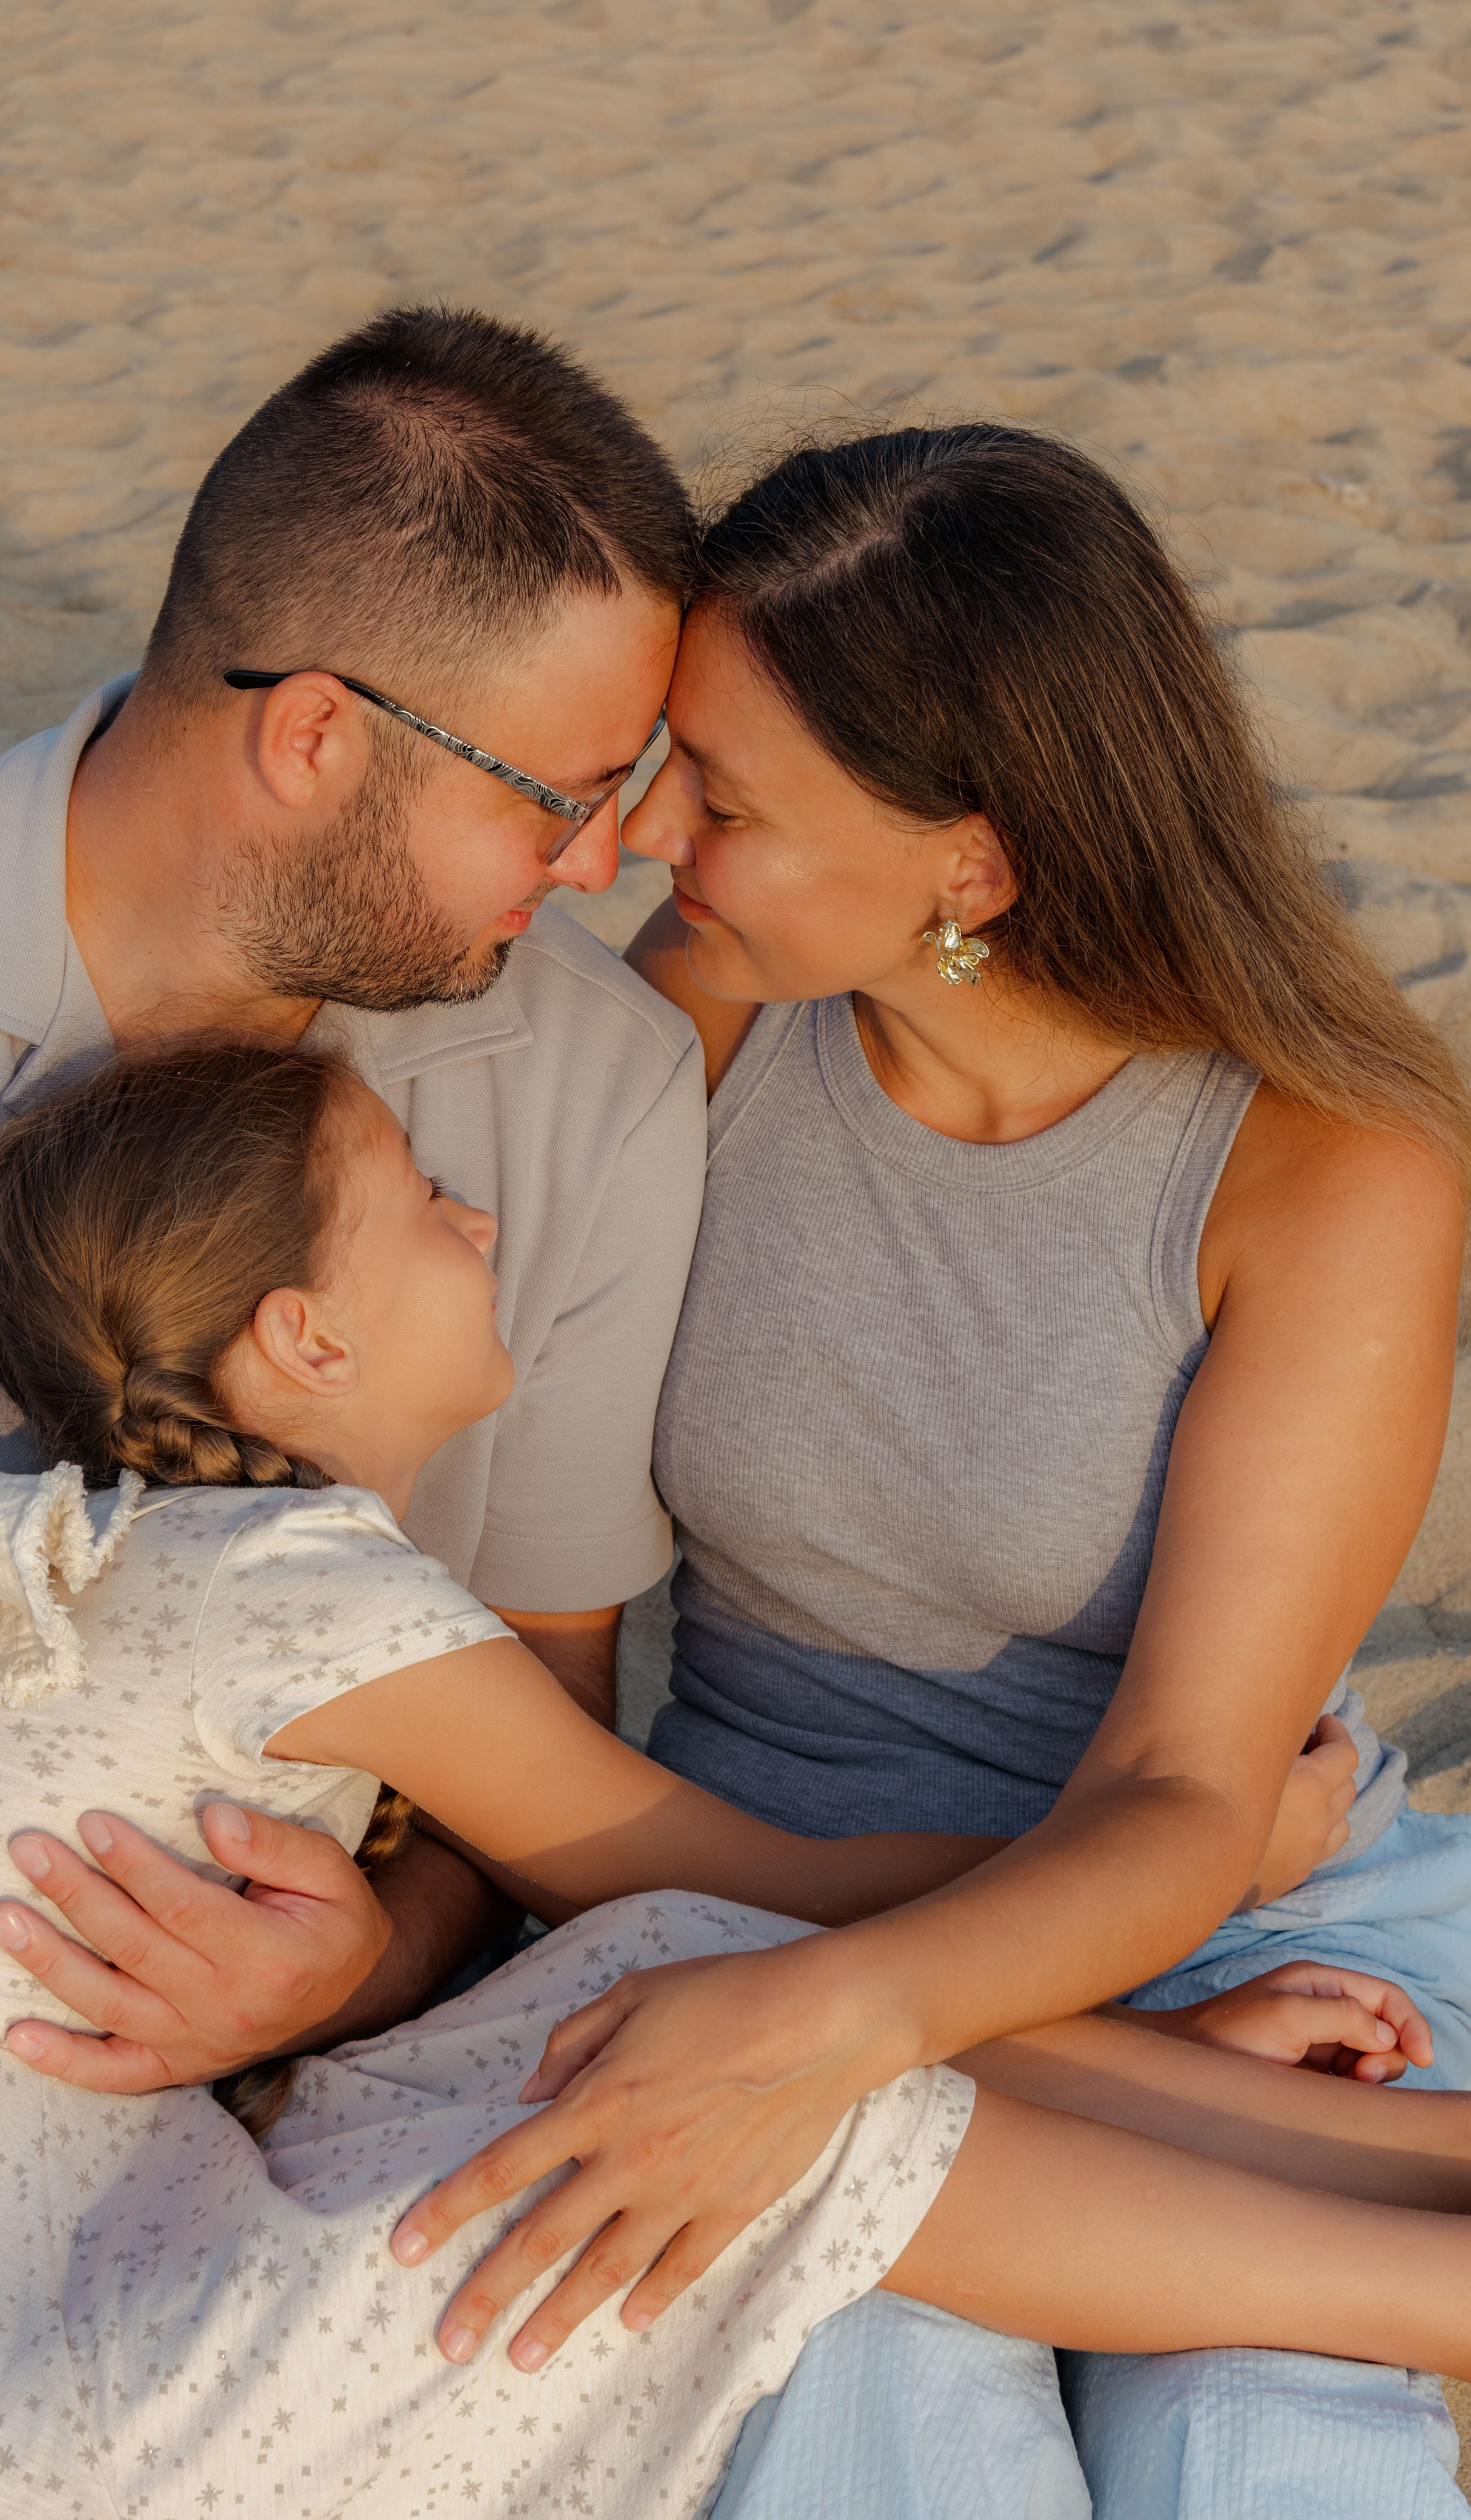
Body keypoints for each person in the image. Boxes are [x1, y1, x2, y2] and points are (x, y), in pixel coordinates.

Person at [0, 1036, 1471, 2520]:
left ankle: (1365, 2139)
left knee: (669, 1984)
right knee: (699, 2085)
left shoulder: (77, 1559)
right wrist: (1192, 1856)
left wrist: (1131, 2030)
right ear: (304, 1334)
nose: (482, 1227)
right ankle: (1425, 2285)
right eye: (424, 1201)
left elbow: (671, 1918)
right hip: (8, 2416)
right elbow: (738, 1876)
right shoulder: (287, 1586)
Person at [392, 425, 1471, 2517]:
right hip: (734, 1907)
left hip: (1242, 1935)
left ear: (969, 864)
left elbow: (1185, 1793)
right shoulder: (698, 1024)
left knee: (1261, 2447)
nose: (637, 844)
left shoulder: (1326, 1168)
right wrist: (783, 1997)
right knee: (874, 2415)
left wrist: (849, 2014)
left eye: (724, 795)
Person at [0, 304, 704, 2066]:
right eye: (559, 797)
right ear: (312, 740)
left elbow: (536, 1747)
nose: (604, 867)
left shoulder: (601, 1088)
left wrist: (349, 1978)